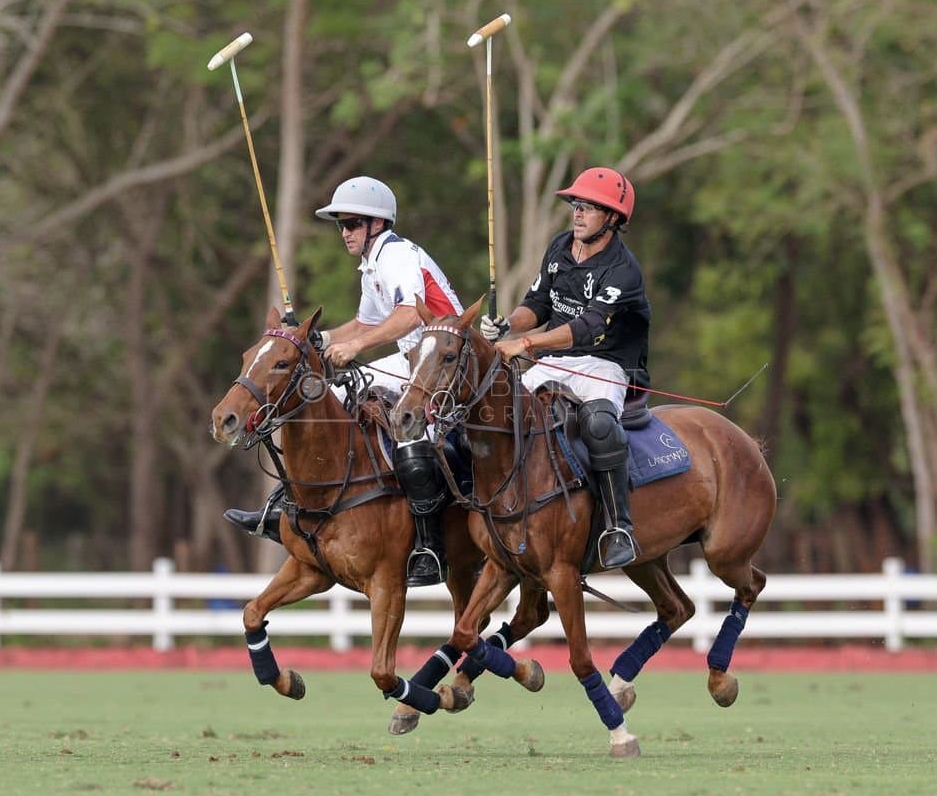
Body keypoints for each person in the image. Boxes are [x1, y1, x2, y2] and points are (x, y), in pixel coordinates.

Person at [225, 175, 464, 587]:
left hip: (442, 363)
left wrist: (354, 349)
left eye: (352, 223)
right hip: (409, 362)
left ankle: (429, 543)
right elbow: (363, 323)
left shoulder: (398, 256)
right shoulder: (371, 266)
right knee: (321, 401)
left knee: (400, 433)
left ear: (377, 224)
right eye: (341, 224)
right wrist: (315, 339)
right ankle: (283, 508)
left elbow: (410, 314)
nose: (345, 232)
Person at [480, 167, 650, 569]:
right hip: (553, 360)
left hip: (605, 364)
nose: (578, 213)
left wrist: (524, 343)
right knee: (493, 408)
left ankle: (617, 525)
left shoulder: (623, 270)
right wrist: (508, 324)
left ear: (613, 219)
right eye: (577, 204)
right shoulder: (560, 247)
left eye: (590, 207)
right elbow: (536, 304)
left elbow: (586, 327)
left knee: (600, 426)